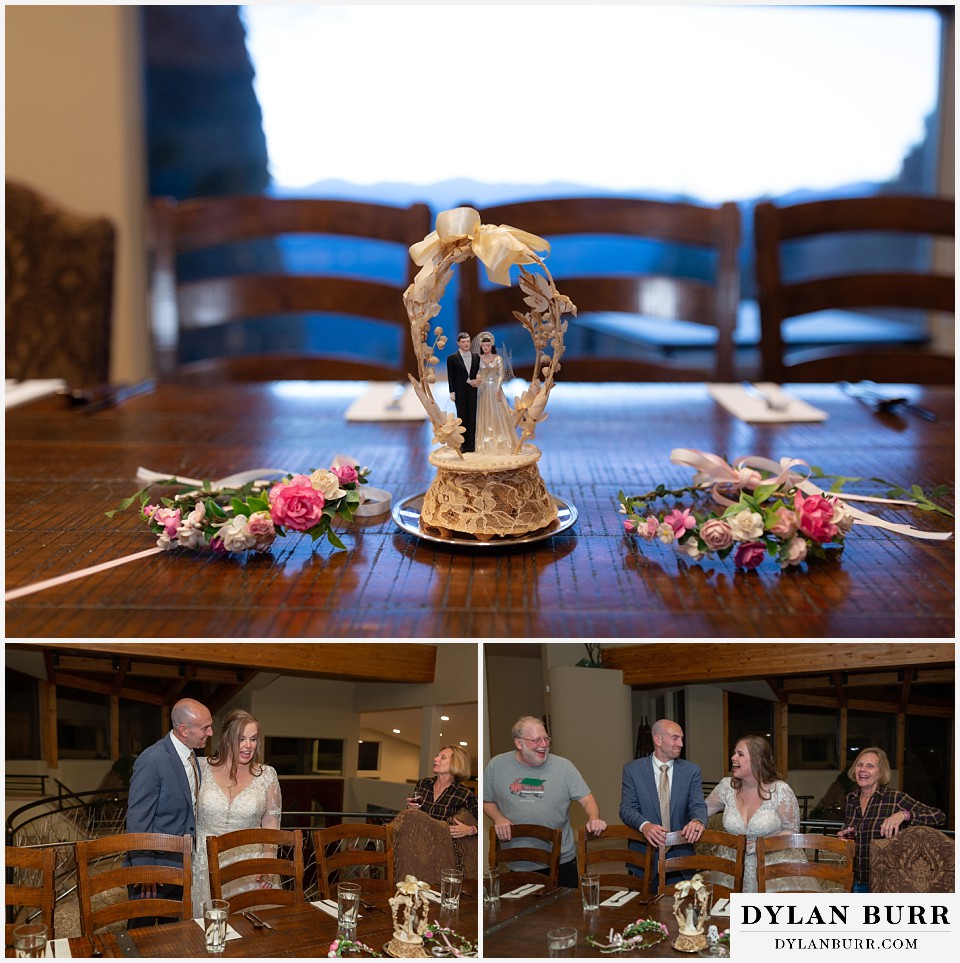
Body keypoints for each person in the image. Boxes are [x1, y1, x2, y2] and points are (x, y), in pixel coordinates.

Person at [482, 715, 607, 888]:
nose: (543, 745)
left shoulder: (564, 767)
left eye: (546, 738)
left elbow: (587, 800)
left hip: (561, 859)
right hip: (518, 860)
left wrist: (594, 817)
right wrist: (499, 818)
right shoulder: (497, 766)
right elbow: (485, 801)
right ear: (519, 743)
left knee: (565, 912)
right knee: (522, 913)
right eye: (536, 740)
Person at [126, 697, 214, 926]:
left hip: (180, 864)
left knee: (170, 937)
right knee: (140, 938)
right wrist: (145, 871)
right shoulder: (152, 760)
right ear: (184, 729)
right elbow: (137, 820)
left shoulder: (191, 755)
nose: (211, 732)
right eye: (205, 727)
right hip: (153, 870)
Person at [192, 708, 283, 915]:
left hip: (251, 867)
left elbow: (271, 824)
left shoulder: (267, 775)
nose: (248, 746)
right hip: (204, 864)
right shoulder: (199, 768)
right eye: (241, 739)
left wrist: (268, 864)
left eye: (253, 739)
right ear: (226, 738)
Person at [705, 734, 816, 892]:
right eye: (734, 753)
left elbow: (791, 831)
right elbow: (701, 812)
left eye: (740, 754)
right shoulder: (726, 787)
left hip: (774, 870)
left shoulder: (780, 791)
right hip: (732, 869)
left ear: (757, 761)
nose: (733, 757)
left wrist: (762, 845)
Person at [837, 746, 945, 893]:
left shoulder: (894, 798)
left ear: (881, 772)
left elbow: (939, 816)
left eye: (870, 766)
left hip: (886, 882)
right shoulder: (851, 798)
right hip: (855, 879)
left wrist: (904, 815)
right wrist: (844, 835)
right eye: (859, 764)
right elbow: (854, 830)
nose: (863, 769)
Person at [620, 719, 707, 884]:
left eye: (682, 738)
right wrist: (644, 825)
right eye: (675, 738)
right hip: (644, 858)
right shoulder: (632, 770)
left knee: (681, 909)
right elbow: (627, 809)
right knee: (643, 909)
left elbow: (697, 805)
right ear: (658, 740)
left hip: (681, 858)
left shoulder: (691, 771)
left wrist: (697, 820)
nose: (681, 743)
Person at [406, 745, 479, 840]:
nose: (435, 759)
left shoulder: (464, 794)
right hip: (416, 840)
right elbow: (413, 814)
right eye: (437, 756)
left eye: (443, 757)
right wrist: (410, 808)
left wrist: (470, 830)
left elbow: (485, 821)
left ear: (456, 764)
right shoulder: (423, 784)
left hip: (442, 847)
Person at [467, 332, 517, 454]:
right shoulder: (478, 359)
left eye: (487, 345)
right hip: (483, 389)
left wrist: (498, 387)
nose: (485, 347)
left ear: (491, 346)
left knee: (497, 412)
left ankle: (500, 441)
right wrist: (477, 380)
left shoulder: (498, 358)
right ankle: (484, 442)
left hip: (494, 387)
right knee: (484, 414)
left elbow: (501, 374)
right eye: (483, 345)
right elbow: (478, 373)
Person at [446, 331, 479, 453]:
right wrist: (452, 391)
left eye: (468, 341)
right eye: (463, 342)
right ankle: (463, 444)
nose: (466, 344)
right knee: (462, 416)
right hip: (460, 391)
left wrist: (477, 381)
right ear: (458, 343)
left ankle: (472, 444)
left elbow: (478, 372)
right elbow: (451, 376)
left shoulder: (476, 357)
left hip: (473, 390)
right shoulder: (452, 359)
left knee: (472, 416)